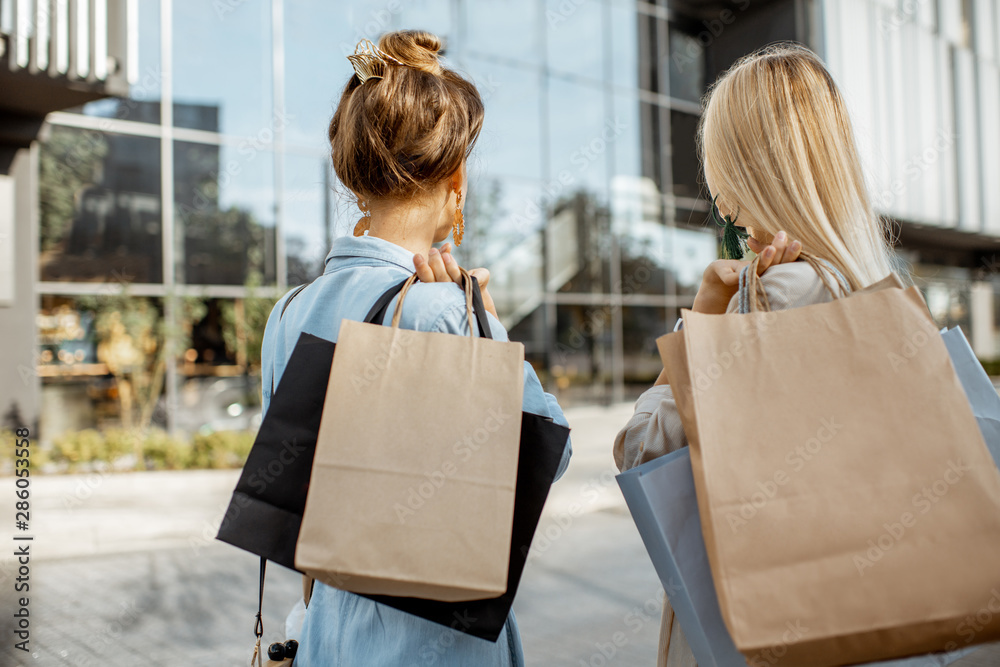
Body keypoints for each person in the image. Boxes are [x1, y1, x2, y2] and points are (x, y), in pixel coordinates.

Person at [259, 30, 572, 666]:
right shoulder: (444, 307)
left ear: (355, 176)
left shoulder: (287, 314)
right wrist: (483, 320)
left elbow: (301, 513)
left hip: (324, 639)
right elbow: (544, 457)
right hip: (432, 647)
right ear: (456, 179)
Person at [613, 43, 897, 666]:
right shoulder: (868, 293)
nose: (717, 198)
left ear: (747, 167)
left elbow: (641, 449)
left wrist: (708, 303)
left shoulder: (773, 297)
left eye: (717, 168)